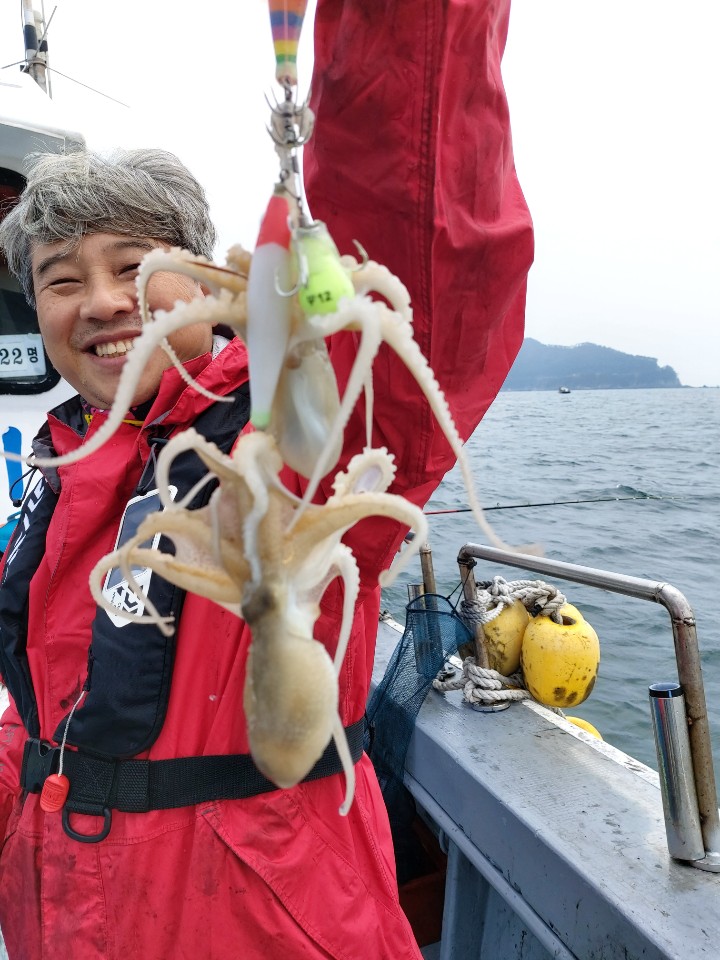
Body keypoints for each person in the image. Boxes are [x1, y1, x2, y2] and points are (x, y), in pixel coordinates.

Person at [0, 1, 533, 957]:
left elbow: (414, 237)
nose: (107, 301)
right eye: (62, 279)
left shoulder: (293, 432)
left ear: (205, 280)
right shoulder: (63, 464)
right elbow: (46, 717)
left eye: (136, 264)